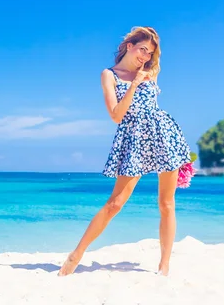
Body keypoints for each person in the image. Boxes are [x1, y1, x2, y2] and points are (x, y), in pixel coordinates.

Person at [58, 26, 191, 277]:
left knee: (166, 203)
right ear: (129, 46)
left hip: (163, 134)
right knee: (115, 203)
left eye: (150, 53)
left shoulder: (150, 72)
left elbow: (152, 107)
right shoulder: (109, 74)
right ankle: (76, 255)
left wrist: (143, 77)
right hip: (133, 139)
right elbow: (116, 115)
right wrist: (134, 85)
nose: (145, 57)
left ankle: (164, 266)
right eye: (142, 49)